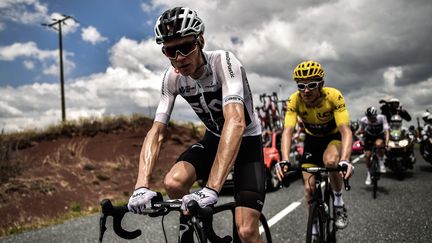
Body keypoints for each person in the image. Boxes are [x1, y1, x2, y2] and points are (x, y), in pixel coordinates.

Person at [126, 7, 266, 243]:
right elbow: (157, 131)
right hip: (213, 137)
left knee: (246, 232)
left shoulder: (223, 61)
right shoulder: (172, 77)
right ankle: (202, 229)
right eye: (170, 50)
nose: (179, 57)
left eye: (186, 47)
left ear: (200, 41)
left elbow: (236, 120)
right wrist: (141, 184)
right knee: (173, 182)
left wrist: (212, 188)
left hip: (246, 142)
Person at [275, 60, 354, 233]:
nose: (306, 90)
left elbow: (345, 130)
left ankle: (339, 204)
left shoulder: (333, 96)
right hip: (312, 141)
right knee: (309, 188)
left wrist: (346, 160)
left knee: (331, 161)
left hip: (333, 137)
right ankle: (315, 227)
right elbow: (288, 131)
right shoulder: (294, 100)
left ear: (321, 85)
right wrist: (285, 159)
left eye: (311, 85)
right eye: (301, 86)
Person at [356, 106, 390, 185]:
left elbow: (387, 131)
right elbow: (361, 130)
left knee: (378, 144)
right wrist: (359, 133)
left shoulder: (382, 118)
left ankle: (381, 161)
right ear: (367, 116)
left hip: (379, 135)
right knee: (367, 156)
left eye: (374, 118)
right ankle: (369, 173)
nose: (372, 120)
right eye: (370, 118)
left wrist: (387, 143)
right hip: (369, 136)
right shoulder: (363, 120)